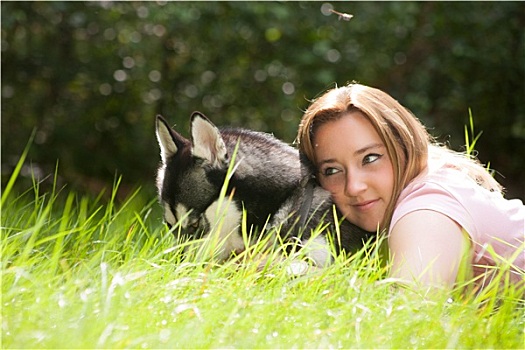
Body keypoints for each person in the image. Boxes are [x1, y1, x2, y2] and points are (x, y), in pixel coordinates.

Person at [296, 82, 524, 290]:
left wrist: (293, 273)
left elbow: (406, 316)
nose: (354, 187)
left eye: (370, 158)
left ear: (404, 146)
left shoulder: (426, 207)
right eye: (332, 171)